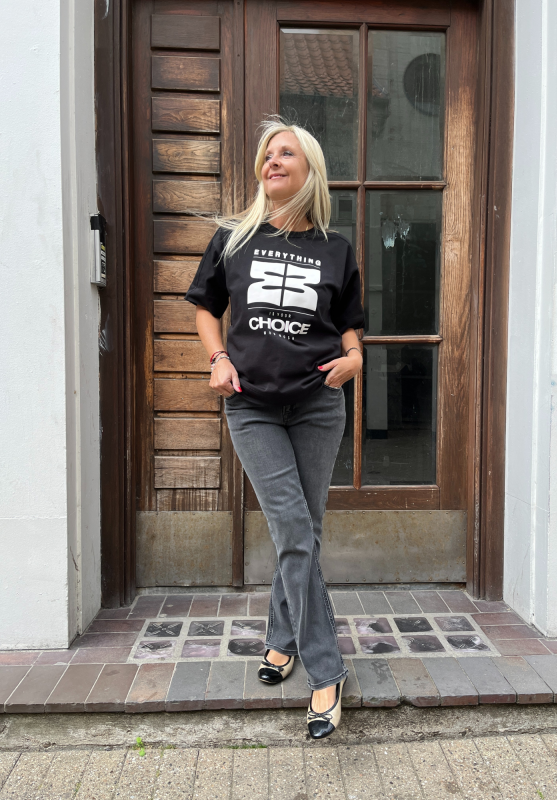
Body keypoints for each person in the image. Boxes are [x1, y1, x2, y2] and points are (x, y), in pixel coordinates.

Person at [185, 119, 364, 740]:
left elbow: (348, 322)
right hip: (252, 404)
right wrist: (218, 358)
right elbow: (205, 308)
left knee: (303, 530)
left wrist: (355, 356)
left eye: (286, 152)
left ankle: (282, 638)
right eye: (267, 153)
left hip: (319, 403)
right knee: (293, 528)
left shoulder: (336, 248)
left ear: (310, 170)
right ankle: (327, 670)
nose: (272, 160)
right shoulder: (234, 237)